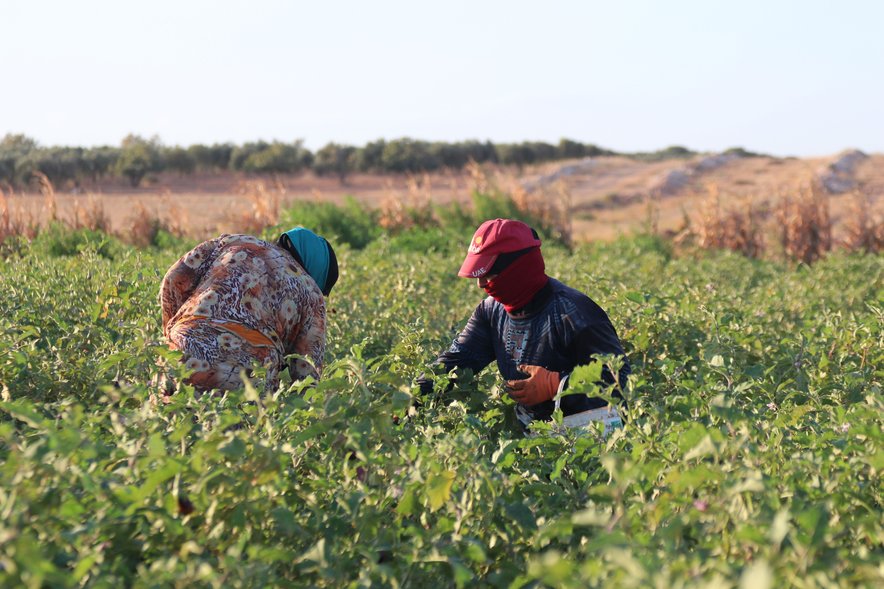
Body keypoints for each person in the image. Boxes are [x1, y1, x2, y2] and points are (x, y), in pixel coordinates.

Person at [420, 218, 630, 432]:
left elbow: (620, 379)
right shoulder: (491, 312)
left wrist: (558, 385)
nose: (481, 283)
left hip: (591, 437)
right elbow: (457, 360)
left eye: (488, 273)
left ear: (516, 269)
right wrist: (412, 396)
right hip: (534, 438)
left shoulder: (574, 312)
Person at [159, 228, 338, 393]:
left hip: (179, 349)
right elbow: (307, 375)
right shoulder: (311, 291)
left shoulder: (232, 242)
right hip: (244, 372)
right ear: (317, 272)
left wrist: (174, 333)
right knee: (236, 418)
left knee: (165, 414)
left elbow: (173, 279)